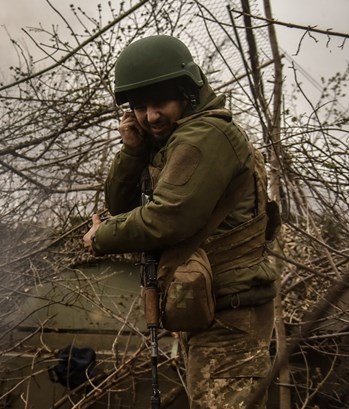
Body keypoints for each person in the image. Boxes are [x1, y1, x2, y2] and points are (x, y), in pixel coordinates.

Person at [82, 35, 278, 408]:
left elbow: (166, 218)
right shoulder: (173, 141)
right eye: (140, 106)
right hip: (210, 311)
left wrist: (103, 235)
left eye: (160, 102)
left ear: (187, 92)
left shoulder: (205, 136)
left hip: (232, 314)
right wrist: (133, 151)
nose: (150, 116)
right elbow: (121, 204)